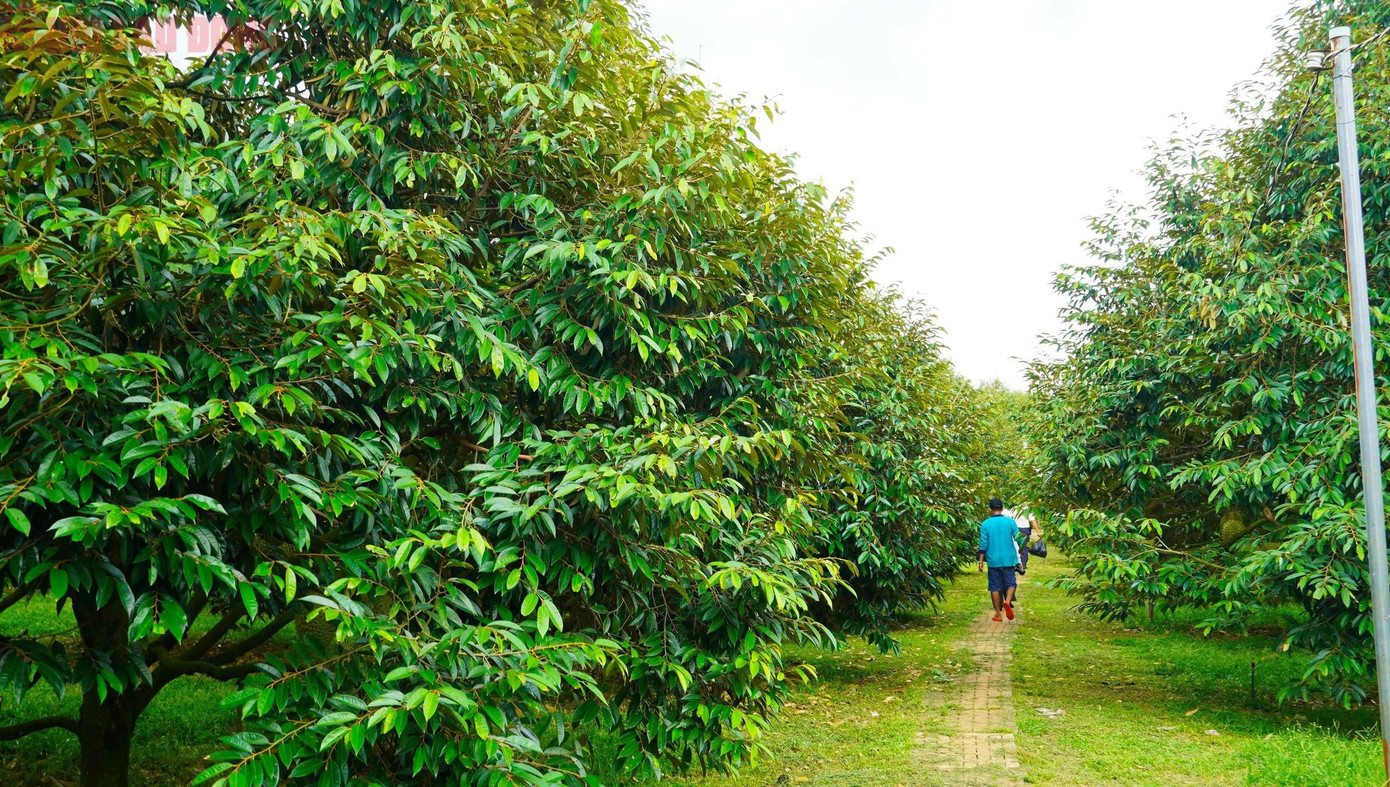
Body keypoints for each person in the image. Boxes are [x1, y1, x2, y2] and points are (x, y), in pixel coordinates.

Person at [977, 498, 1019, 622]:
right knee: (1011, 583)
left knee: (994, 586)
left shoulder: (985, 524)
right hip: (1008, 559)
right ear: (1002, 508)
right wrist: (1021, 551)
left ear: (990, 509)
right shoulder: (1010, 522)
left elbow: (983, 544)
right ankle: (1007, 601)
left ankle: (998, 614)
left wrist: (980, 561)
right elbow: (1018, 537)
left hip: (993, 560)